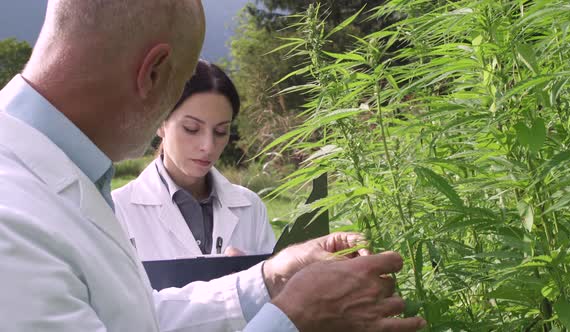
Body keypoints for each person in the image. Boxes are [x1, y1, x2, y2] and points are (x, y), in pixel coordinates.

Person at [0, 0, 427, 331]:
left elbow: (136, 319)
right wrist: (295, 318)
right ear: (152, 72)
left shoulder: (63, 174)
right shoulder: (12, 220)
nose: (207, 145)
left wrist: (270, 279)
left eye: (221, 130)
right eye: (182, 83)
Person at [112, 60, 274, 260]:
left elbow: (277, 289)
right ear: (160, 122)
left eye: (221, 131)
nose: (208, 146)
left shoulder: (251, 208)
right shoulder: (117, 210)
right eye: (191, 128)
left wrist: (256, 278)